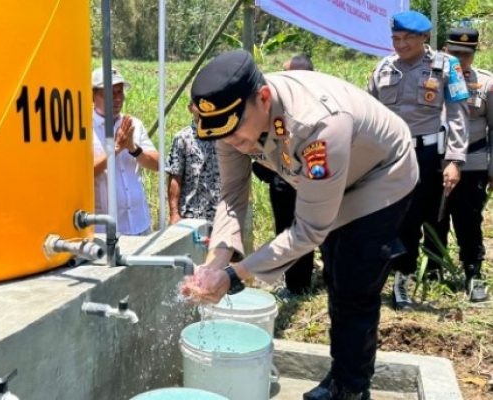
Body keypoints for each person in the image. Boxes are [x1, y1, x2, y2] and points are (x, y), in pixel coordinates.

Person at [181, 50, 417, 400]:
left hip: (379, 177)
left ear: (263, 98)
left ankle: (351, 388)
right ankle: (341, 377)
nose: (233, 143)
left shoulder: (318, 126)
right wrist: (215, 261)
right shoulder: (230, 121)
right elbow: (232, 195)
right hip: (327, 182)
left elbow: (309, 230)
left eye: (236, 134)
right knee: (336, 273)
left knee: (354, 282)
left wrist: (234, 275)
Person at [368, 11, 469, 310]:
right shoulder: (384, 67)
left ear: (424, 37)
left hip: (425, 154)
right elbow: (368, 113)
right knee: (386, 217)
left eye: (407, 39)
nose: (400, 45)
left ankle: (404, 279)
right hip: (389, 155)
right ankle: (386, 275)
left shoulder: (446, 66)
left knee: (414, 218)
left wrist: (454, 160)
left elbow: (458, 114)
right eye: (396, 39)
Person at [434, 27, 491, 302]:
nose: (460, 59)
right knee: (433, 219)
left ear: (474, 54)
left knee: (469, 220)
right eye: (455, 53)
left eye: (465, 55)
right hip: (434, 162)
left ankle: (473, 271)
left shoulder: (486, 84)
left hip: (473, 163)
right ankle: (434, 269)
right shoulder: (429, 80)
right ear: (445, 50)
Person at [252, 53, 316, 295]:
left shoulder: (310, 102)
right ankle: (298, 284)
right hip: (286, 176)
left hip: (305, 176)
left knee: (300, 229)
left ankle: (300, 284)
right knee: (290, 229)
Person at [92, 67, 159, 235]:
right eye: (109, 94)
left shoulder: (133, 124)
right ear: (92, 95)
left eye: (119, 92)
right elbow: (85, 173)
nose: (116, 99)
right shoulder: (84, 129)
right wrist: (115, 149)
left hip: (139, 223)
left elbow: (158, 164)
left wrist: (133, 149)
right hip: (106, 231)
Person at [166, 100, 220, 225]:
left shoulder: (224, 137)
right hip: (190, 216)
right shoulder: (182, 138)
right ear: (190, 108)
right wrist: (174, 213)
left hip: (220, 216)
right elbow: (175, 177)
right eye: (198, 104)